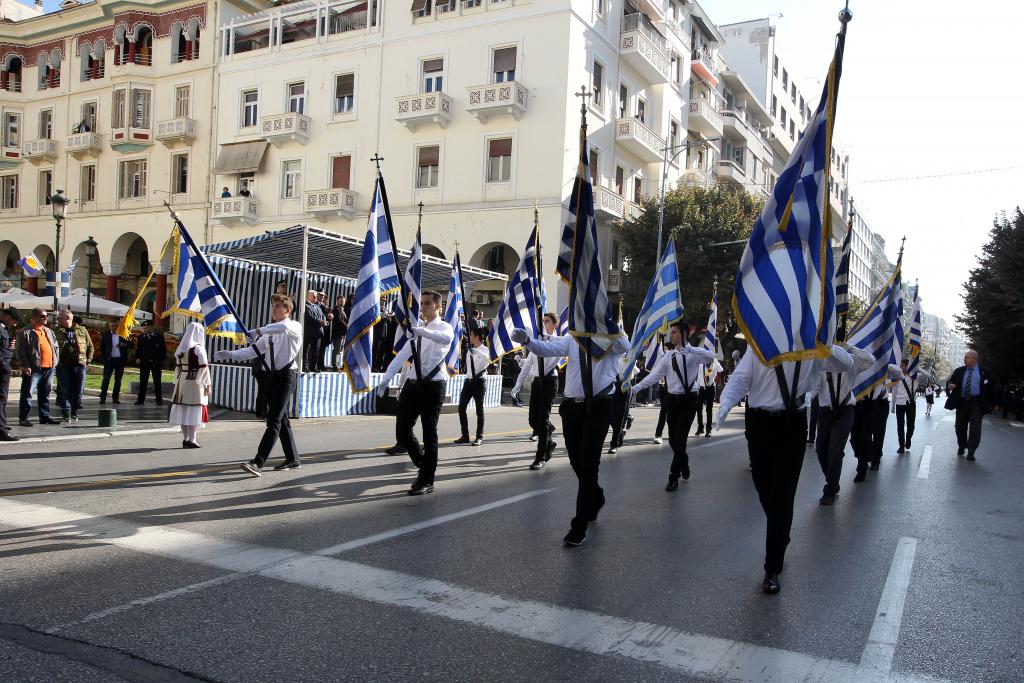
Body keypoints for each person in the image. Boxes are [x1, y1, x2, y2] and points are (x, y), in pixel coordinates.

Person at [717, 343, 854, 594]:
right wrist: (725, 402)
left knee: (782, 495)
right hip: (758, 422)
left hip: (792, 424)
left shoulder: (812, 346)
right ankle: (781, 531)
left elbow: (846, 364)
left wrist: (820, 340)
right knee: (762, 486)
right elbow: (741, 378)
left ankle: (772, 568)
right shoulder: (760, 341)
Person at [511, 325, 629, 546]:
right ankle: (596, 494)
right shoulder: (572, 338)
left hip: (599, 406)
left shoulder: (613, 336)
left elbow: (625, 346)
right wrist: (527, 341)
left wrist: (608, 324)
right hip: (572, 407)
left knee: (588, 465)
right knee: (576, 461)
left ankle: (579, 524)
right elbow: (547, 349)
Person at [376, 290, 454, 495]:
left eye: (427, 303)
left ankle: (427, 479)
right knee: (402, 430)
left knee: (430, 432)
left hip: (433, 385)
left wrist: (420, 332)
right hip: (413, 384)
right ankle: (423, 462)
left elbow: (445, 339)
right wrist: (385, 380)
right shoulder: (417, 329)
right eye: (421, 303)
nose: (423, 306)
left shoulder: (444, 327)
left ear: (438, 307)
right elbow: (402, 355)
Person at [215, 294, 303, 474]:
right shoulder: (269, 333)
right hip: (273, 377)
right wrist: (230, 354)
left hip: (287, 376)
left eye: (278, 306)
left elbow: (282, 328)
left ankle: (258, 462)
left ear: (287, 309)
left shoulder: (293, 326)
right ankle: (293, 458)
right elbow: (251, 352)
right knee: (282, 419)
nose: (274, 309)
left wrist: (258, 331)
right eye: (273, 306)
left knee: (274, 420)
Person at [630, 322, 715, 490]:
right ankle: (684, 460)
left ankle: (673, 477)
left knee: (681, 439)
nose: (671, 336)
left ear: (684, 334)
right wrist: (635, 388)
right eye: (671, 333)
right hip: (673, 401)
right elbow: (654, 376)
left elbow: (710, 356)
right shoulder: (668, 357)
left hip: (690, 400)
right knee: (672, 441)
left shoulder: (695, 354)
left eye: (675, 332)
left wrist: (690, 350)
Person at [813, 344, 874, 505]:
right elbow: (815, 388)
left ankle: (830, 490)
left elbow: (870, 360)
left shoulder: (852, 362)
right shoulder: (821, 363)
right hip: (826, 412)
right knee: (820, 450)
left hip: (845, 411)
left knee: (835, 450)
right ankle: (832, 479)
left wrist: (851, 347)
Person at [511, 312, 562, 470]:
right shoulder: (536, 343)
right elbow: (527, 367)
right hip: (537, 382)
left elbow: (556, 349)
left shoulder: (558, 343)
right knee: (533, 420)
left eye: (547, 321)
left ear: (555, 325)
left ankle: (540, 457)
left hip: (550, 381)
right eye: (543, 321)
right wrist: (517, 386)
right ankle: (549, 442)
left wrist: (546, 338)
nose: (544, 324)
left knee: (543, 419)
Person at [945, 349, 995, 461]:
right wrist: (950, 385)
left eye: (966, 357)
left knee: (975, 428)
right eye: (965, 357)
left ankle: (972, 451)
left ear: (974, 359)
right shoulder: (959, 371)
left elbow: (991, 388)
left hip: (977, 403)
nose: (964, 359)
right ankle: (962, 445)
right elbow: (950, 381)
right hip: (962, 402)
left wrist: (995, 403)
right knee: (959, 426)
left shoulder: (985, 372)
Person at [169, 322, 211, 448]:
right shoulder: (199, 348)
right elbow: (204, 368)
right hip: (195, 382)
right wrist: (208, 384)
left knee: (183, 409)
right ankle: (192, 439)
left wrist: (177, 381)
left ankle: (186, 439)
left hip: (182, 380)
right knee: (193, 409)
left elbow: (178, 369)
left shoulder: (181, 348)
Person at [15, 308, 59, 427]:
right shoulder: (25, 332)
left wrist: (55, 361)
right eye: (42, 316)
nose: (45, 318)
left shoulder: (49, 331)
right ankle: (24, 418)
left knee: (45, 393)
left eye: (46, 316)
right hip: (33, 368)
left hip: (49, 367)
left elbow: (55, 347)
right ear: (34, 317)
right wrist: (25, 365)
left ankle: (45, 416)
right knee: (27, 393)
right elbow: (20, 351)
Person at [54, 309, 93, 422]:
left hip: (80, 365)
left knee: (78, 389)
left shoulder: (82, 330)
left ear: (67, 317)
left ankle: (74, 411)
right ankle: (66, 411)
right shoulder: (56, 330)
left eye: (59, 317)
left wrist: (88, 359)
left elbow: (90, 346)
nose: (57, 319)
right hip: (63, 365)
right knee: (64, 388)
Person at [455, 328, 489, 446]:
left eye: (472, 334)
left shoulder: (485, 350)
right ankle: (465, 435)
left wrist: (476, 352)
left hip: (479, 382)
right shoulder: (470, 350)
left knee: (479, 410)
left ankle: (479, 436)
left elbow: (487, 361)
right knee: (461, 407)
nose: (470, 337)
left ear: (478, 336)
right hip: (468, 381)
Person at [891, 359, 930, 454]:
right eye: (901, 365)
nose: (901, 367)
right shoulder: (897, 377)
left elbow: (928, 375)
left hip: (911, 403)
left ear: (908, 366)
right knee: (900, 425)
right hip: (899, 403)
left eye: (903, 365)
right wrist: (892, 405)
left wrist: (917, 368)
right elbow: (894, 391)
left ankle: (908, 439)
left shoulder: (915, 376)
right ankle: (901, 445)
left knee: (911, 425)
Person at [135, 320, 166, 405]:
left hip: (156, 363)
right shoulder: (141, 337)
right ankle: (140, 400)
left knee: (157, 382)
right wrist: (137, 358)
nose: (145, 329)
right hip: (145, 363)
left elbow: (163, 350)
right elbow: (139, 349)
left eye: (147, 327)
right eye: (144, 328)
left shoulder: (159, 337)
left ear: (151, 327)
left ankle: (159, 400)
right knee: (143, 381)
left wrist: (161, 360)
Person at [99, 320, 130, 405]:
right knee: (106, 380)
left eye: (116, 326)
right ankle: (103, 397)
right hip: (109, 360)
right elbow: (102, 348)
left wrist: (124, 345)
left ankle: (115, 398)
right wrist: (105, 359)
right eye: (112, 326)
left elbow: (131, 345)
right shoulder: (106, 335)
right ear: (109, 326)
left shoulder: (123, 334)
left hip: (120, 361)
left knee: (118, 380)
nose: (114, 328)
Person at [0, 308, 20, 441]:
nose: (15, 324)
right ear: (7, 316)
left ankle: (2, 426)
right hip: (1, 368)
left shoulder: (4, 329)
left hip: (4, 366)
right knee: (1, 399)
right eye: (14, 320)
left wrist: (9, 346)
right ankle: (1, 430)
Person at [694, 357, 722, 438]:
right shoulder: (701, 363)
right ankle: (700, 428)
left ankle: (708, 430)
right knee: (698, 408)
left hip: (710, 388)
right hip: (702, 388)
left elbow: (721, 370)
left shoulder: (714, 363)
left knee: (709, 409)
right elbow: (698, 375)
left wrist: (715, 362)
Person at [302, 290, 327, 372]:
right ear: (309, 296)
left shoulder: (317, 306)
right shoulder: (305, 305)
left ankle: (313, 366)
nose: (316, 298)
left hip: (318, 332)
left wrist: (325, 320)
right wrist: (320, 321)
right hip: (309, 332)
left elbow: (322, 315)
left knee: (316, 351)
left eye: (316, 296)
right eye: (314, 296)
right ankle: (305, 366)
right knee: (307, 350)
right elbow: (309, 317)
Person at [330, 294, 348, 371]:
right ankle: (335, 365)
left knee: (339, 350)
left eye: (343, 301)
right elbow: (339, 320)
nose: (342, 303)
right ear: (337, 301)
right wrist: (348, 326)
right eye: (341, 301)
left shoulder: (342, 309)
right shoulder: (336, 309)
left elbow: (345, 320)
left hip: (342, 333)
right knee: (337, 350)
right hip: (337, 333)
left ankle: (337, 365)